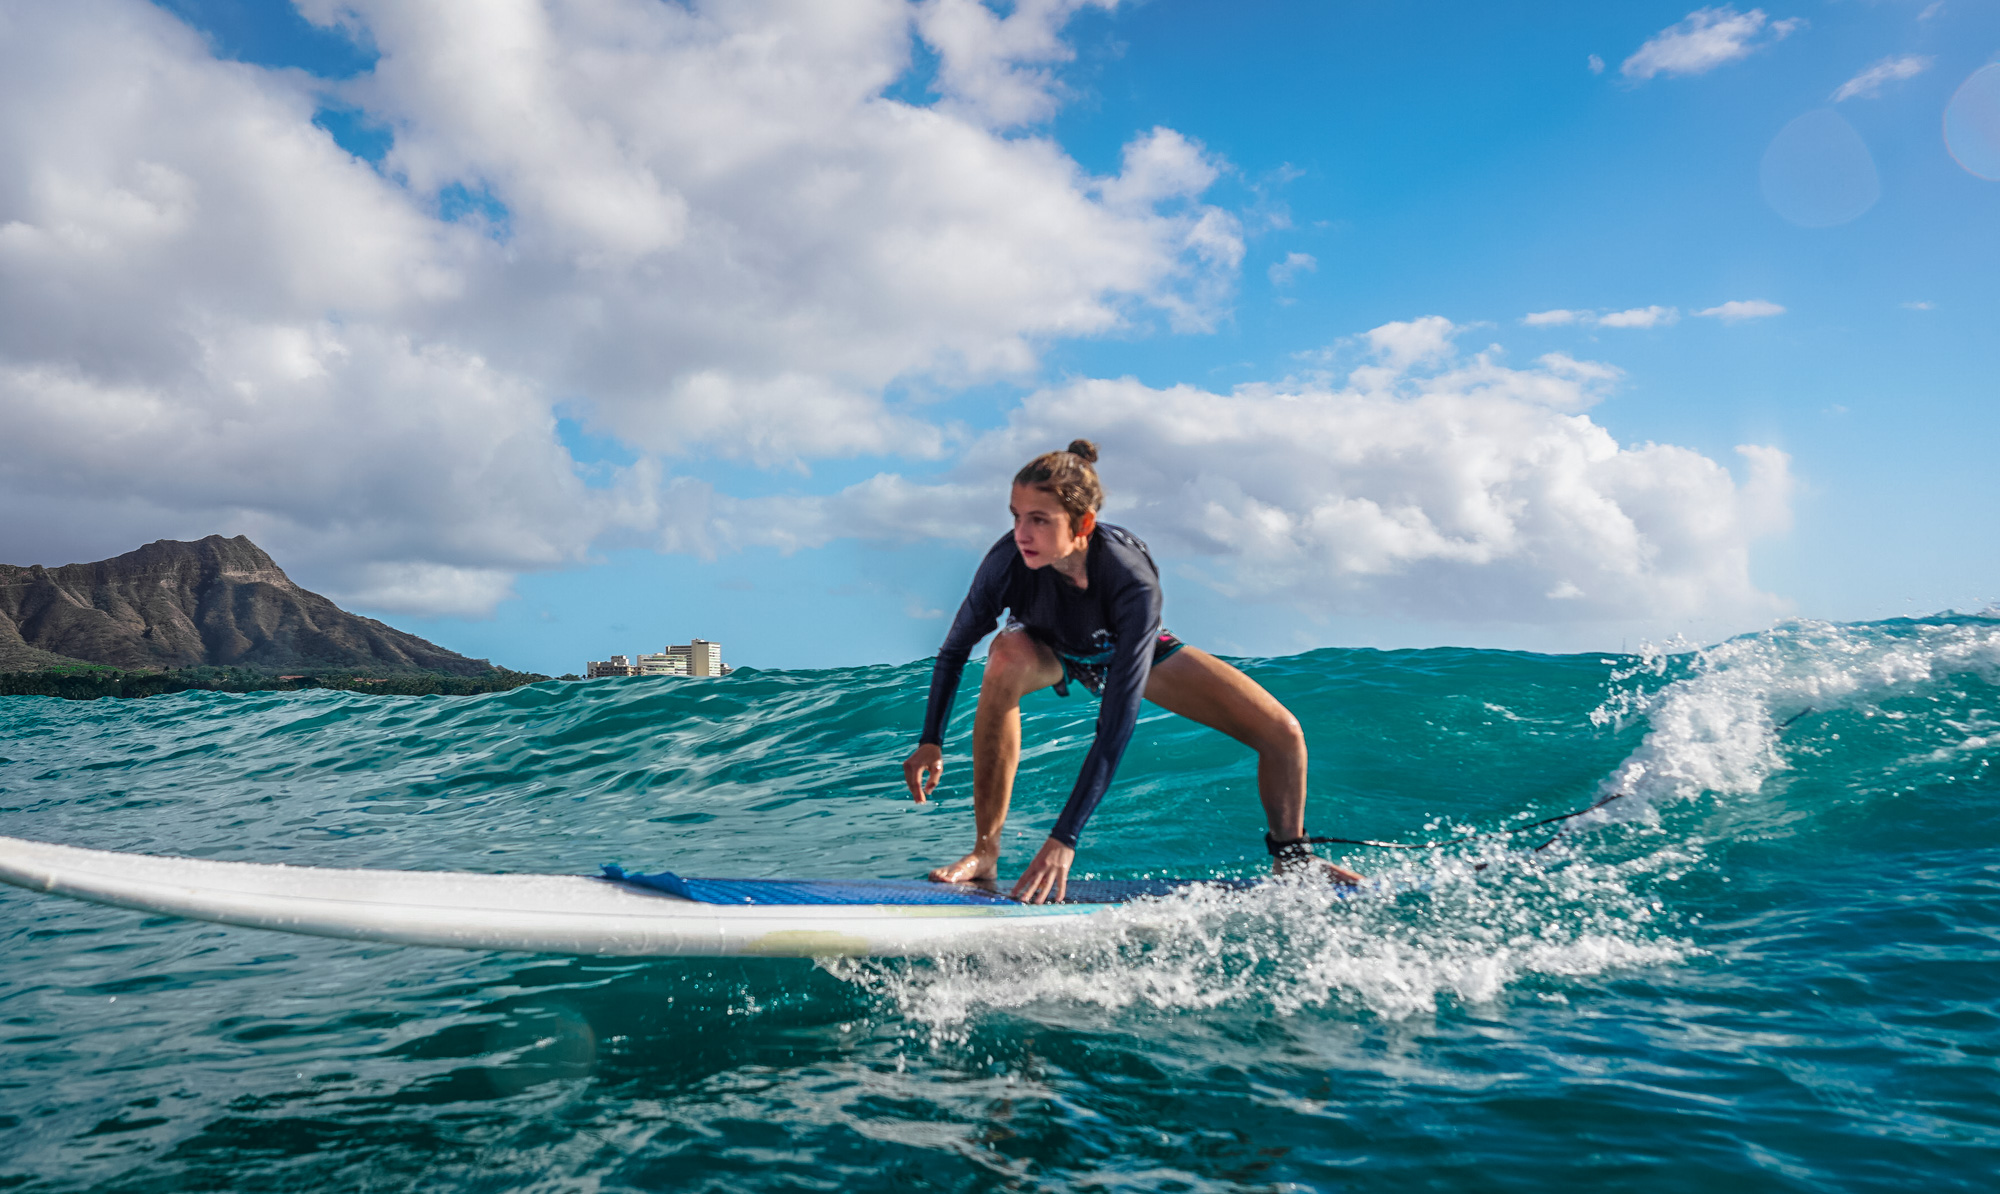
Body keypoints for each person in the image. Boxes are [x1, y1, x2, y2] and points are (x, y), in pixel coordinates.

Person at [902, 439, 1363, 904]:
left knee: (1283, 732)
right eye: (1016, 516)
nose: (1021, 533)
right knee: (1003, 657)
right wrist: (931, 739)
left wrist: (1065, 837)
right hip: (1048, 649)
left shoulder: (1129, 578)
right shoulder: (1007, 564)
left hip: (1121, 651)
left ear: (1083, 523)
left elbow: (1116, 723)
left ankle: (1293, 858)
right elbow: (954, 651)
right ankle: (985, 851)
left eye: (1039, 520)